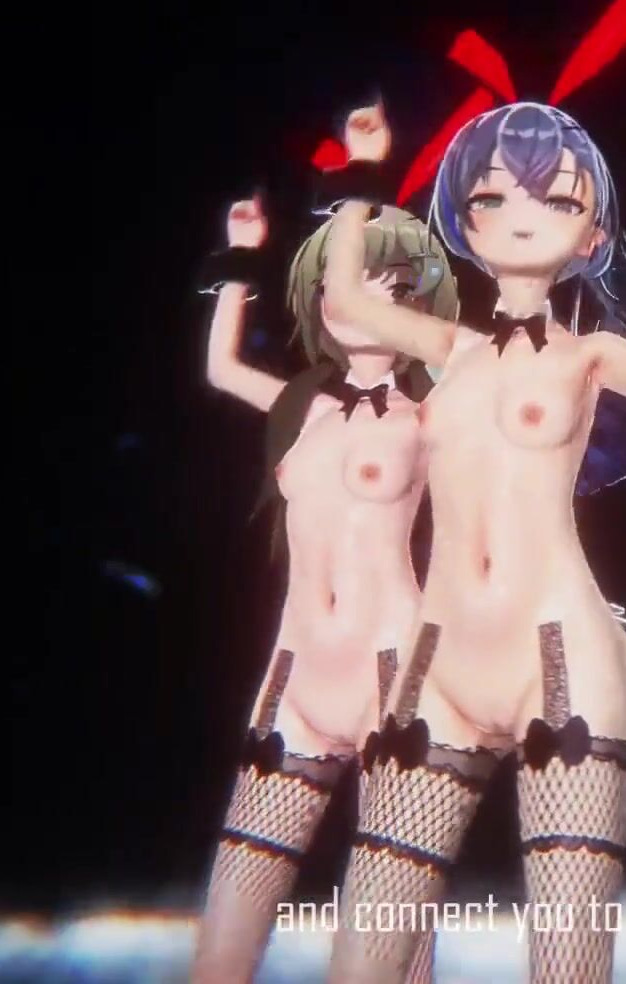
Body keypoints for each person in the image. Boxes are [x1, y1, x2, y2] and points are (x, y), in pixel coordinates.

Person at [317, 102, 626, 982]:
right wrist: (363, 181)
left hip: (560, 651)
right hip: (439, 657)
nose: (522, 215)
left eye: (557, 200)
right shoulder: (449, 348)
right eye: (493, 196)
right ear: (464, 221)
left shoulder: (589, 355)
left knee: (566, 958)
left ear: (593, 235)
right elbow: (343, 300)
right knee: (365, 952)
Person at [189, 105, 462, 982]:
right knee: (222, 945)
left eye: (389, 286)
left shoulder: (431, 413)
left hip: (395, 675)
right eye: (349, 285)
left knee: (393, 949)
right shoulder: (302, 406)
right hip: (294, 675)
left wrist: (367, 180)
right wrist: (241, 258)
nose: (357, 301)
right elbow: (221, 369)